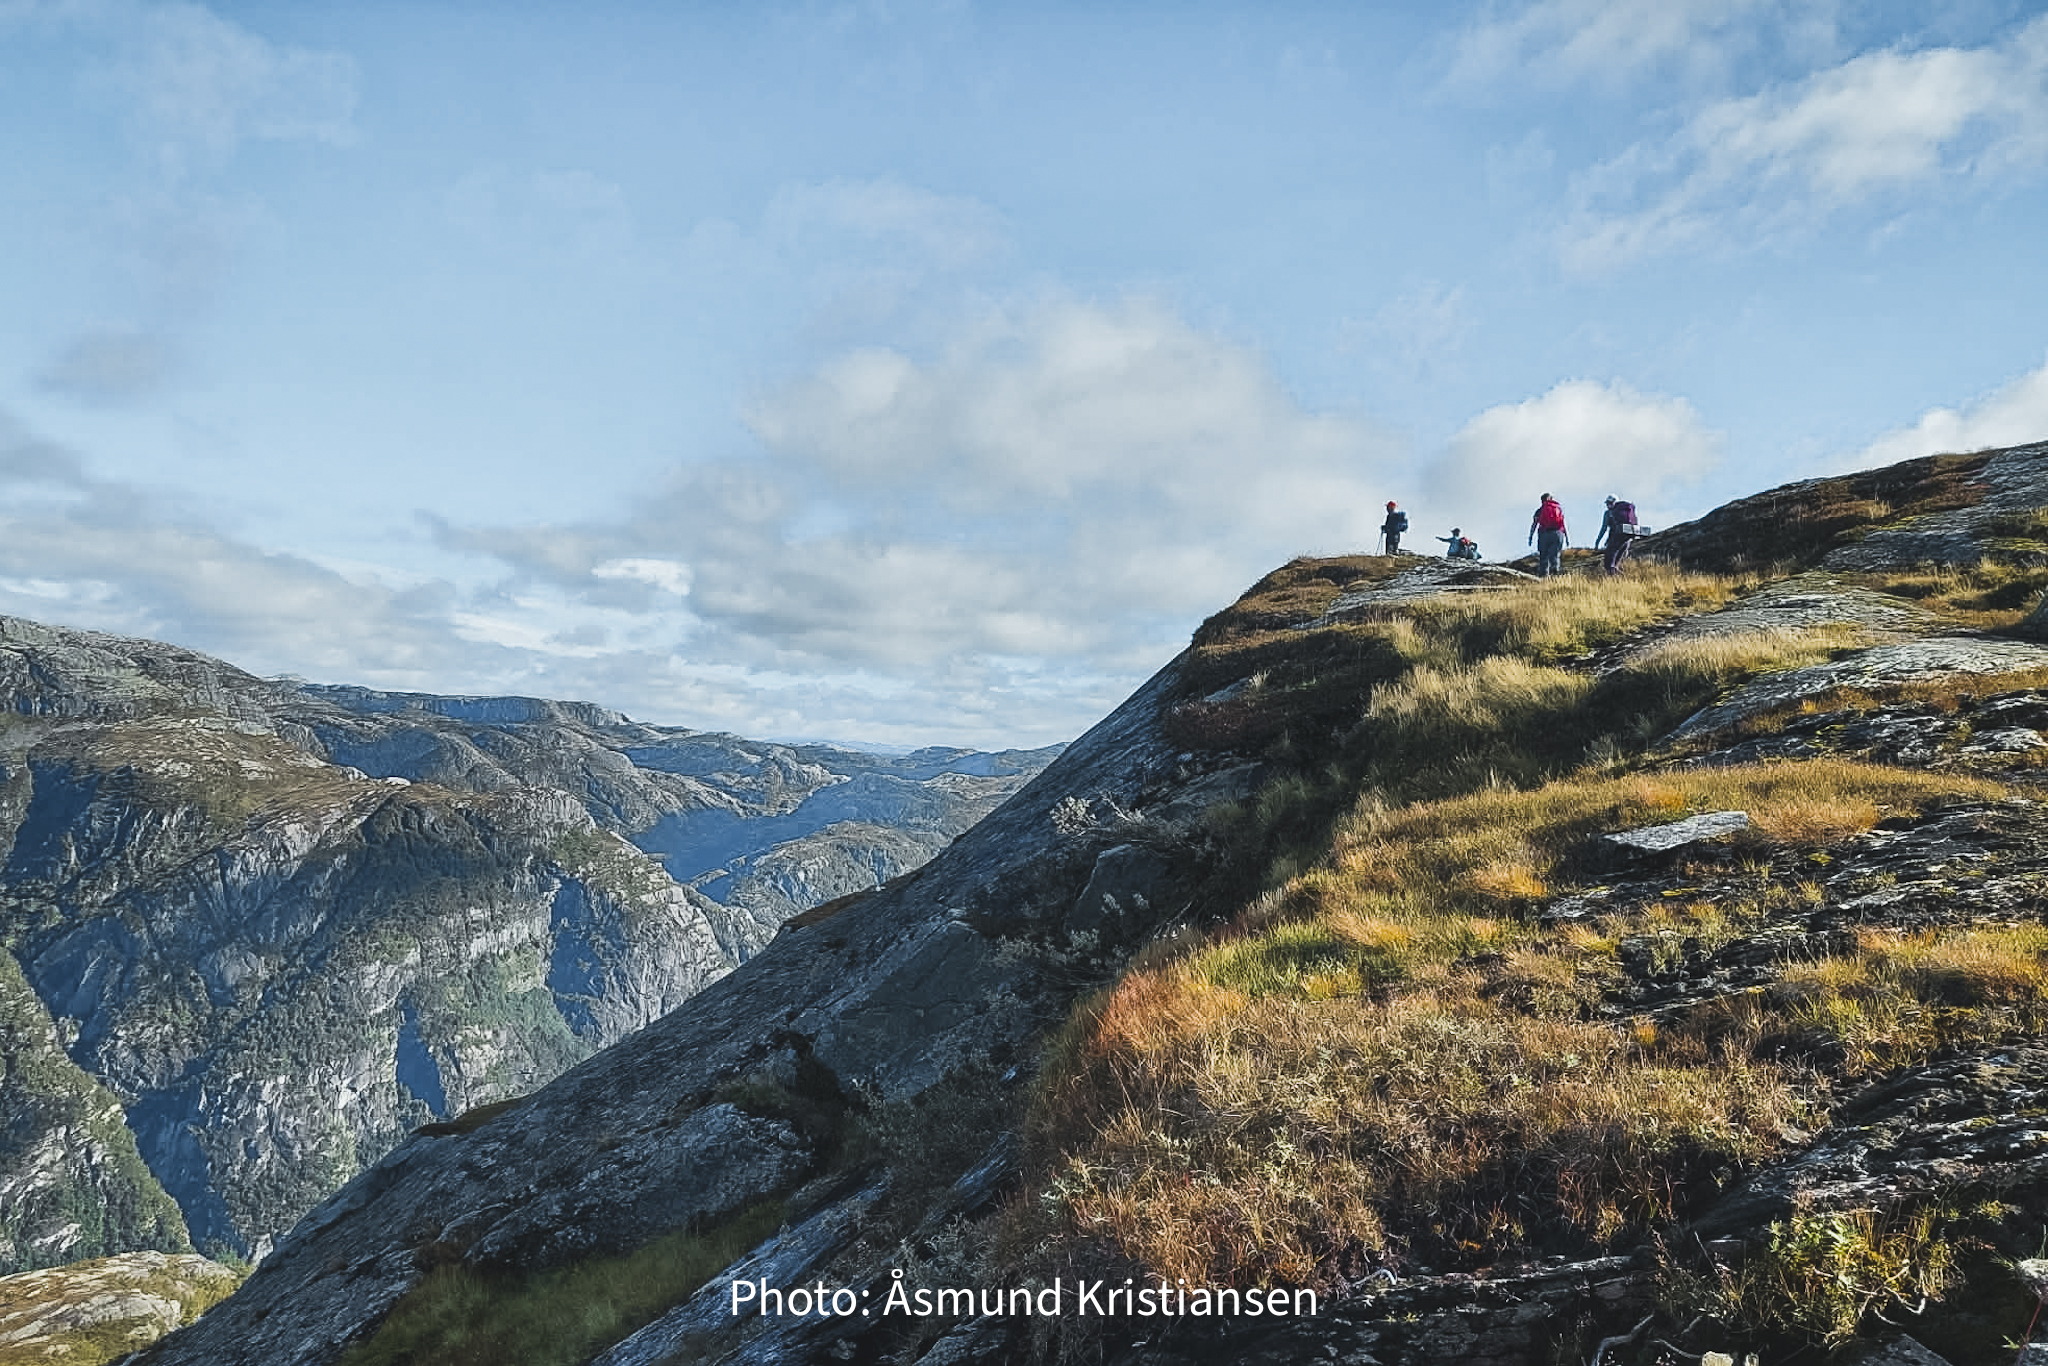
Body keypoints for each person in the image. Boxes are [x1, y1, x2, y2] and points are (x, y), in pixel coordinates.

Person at [1594, 495, 1640, 575]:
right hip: (1627, 541)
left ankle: (1616, 579)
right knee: (1615, 564)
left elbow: (1604, 528)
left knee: (1609, 564)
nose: (1608, 505)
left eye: (1609, 503)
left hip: (1617, 540)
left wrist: (1597, 541)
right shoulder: (1625, 511)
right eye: (1607, 503)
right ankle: (1620, 579)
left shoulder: (1608, 513)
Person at [1527, 493, 1568, 576]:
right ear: (1551, 498)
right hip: (1558, 534)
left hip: (1544, 534)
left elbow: (1534, 524)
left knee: (1544, 557)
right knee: (1555, 556)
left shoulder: (1540, 511)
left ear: (1542, 500)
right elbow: (1563, 523)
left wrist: (1530, 536)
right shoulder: (1558, 509)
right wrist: (1566, 537)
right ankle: (1555, 574)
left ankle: (1544, 577)